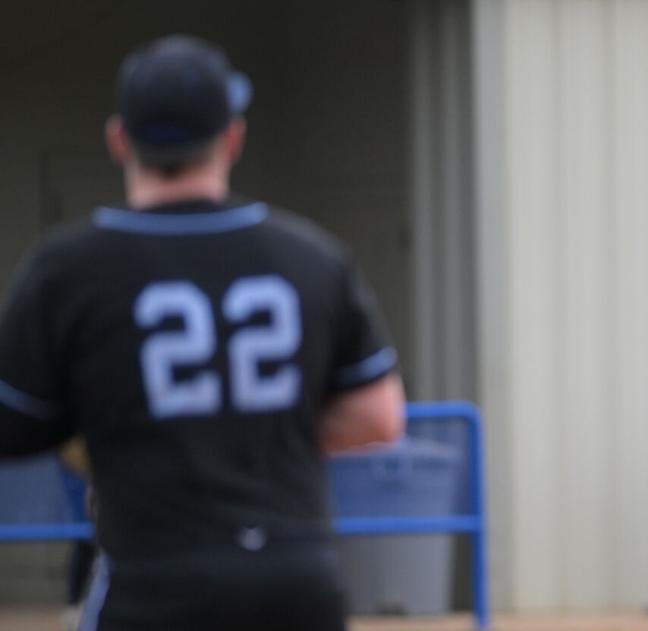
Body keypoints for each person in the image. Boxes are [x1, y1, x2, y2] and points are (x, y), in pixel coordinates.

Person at [0, 35, 404, 631]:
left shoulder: (68, 267)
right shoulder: (311, 256)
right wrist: (250, 430)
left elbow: (14, 422)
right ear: (232, 137)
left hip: (154, 583)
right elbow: (379, 417)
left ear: (119, 139)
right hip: (292, 585)